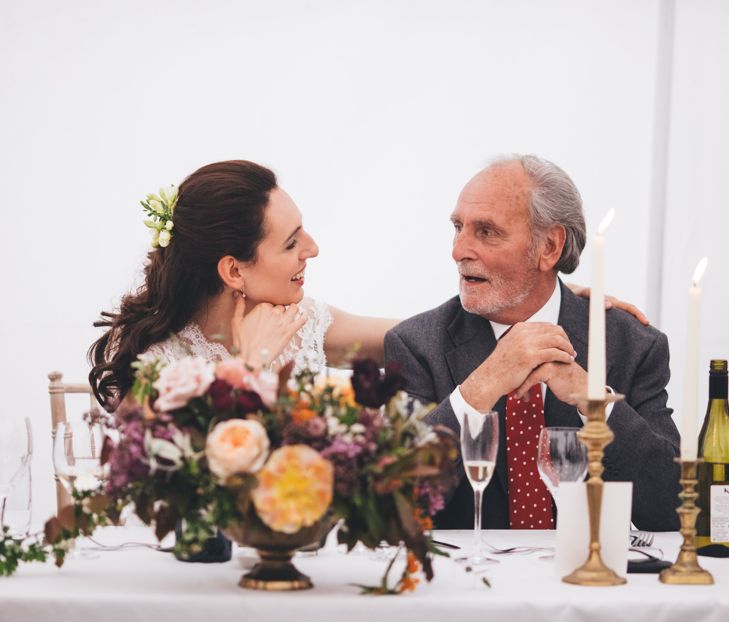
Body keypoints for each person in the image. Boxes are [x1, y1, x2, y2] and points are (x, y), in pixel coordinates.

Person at [89, 158, 649, 414]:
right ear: (234, 270)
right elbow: (190, 491)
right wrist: (252, 370)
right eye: (290, 243)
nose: (312, 249)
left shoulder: (306, 322)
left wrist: (548, 297)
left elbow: (439, 330)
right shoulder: (158, 363)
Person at [384, 154, 680, 532]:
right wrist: (482, 384)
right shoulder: (415, 347)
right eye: (458, 227)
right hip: (466, 584)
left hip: (585, 585)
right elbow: (395, 503)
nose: (459, 251)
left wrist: (594, 401)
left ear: (550, 247)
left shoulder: (631, 345)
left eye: (486, 231)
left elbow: (673, 509)